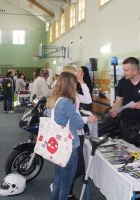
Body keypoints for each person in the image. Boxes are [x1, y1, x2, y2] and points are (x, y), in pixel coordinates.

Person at [61, 65, 97, 200]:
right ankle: (65, 191)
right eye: (77, 74)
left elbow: (88, 100)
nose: (79, 76)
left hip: (78, 134)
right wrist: (88, 119)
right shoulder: (65, 96)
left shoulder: (74, 94)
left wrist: (82, 83)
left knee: (76, 167)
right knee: (77, 167)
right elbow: (69, 118)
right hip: (71, 135)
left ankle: (66, 191)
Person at [46, 72, 84, 200]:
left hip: (57, 145)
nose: (76, 86)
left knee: (58, 181)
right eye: (74, 83)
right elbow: (79, 124)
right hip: (68, 147)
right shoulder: (66, 102)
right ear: (69, 85)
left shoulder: (53, 100)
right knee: (65, 185)